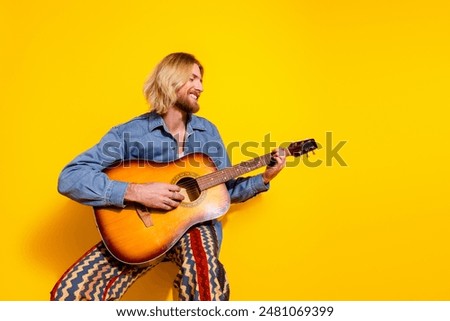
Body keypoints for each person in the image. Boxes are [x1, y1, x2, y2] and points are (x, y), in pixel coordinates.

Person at [50, 52, 286, 301]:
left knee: (204, 276)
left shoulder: (208, 132)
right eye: (193, 78)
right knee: (72, 292)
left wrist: (265, 178)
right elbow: (71, 177)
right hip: (143, 233)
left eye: (202, 81)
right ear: (171, 79)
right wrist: (137, 192)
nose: (201, 87)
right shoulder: (130, 132)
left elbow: (225, 190)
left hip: (194, 229)